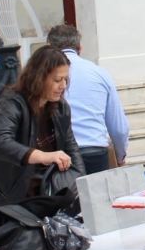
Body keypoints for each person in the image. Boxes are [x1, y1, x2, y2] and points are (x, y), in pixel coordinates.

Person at [0, 45, 84, 218]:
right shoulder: (11, 104)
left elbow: (71, 146)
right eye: (57, 80)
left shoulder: (60, 107)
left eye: (66, 80)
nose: (63, 86)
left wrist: (80, 183)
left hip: (34, 195)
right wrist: (42, 155)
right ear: (40, 78)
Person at [47, 24, 130, 175]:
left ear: (49, 47)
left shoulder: (45, 75)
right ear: (79, 47)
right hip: (95, 152)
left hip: (60, 156)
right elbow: (119, 128)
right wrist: (120, 155)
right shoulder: (99, 73)